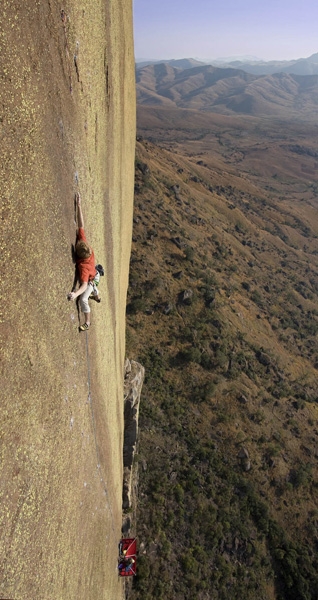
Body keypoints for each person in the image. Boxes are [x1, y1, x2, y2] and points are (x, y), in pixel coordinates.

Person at [68, 193, 98, 331]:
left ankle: (87, 322)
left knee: (83, 299)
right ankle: (97, 296)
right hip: (95, 273)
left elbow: (84, 285)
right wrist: (78, 205)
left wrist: (75, 294)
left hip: (92, 279)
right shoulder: (84, 244)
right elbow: (81, 224)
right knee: (94, 288)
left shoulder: (84, 267)